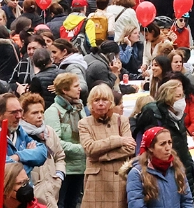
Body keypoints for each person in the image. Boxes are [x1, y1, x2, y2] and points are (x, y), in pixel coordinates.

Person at [78, 84, 135, 208]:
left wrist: (102, 156)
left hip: (119, 178)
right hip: (96, 182)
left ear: (111, 102)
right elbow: (90, 148)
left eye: (104, 100)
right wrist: (117, 140)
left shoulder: (122, 120)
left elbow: (130, 148)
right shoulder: (84, 123)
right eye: (96, 100)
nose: (100, 103)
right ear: (90, 103)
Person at [45, 74, 86, 208]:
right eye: (76, 86)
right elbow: (55, 143)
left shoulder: (79, 107)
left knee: (73, 203)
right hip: (63, 169)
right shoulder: (53, 112)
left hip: (80, 167)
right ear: (65, 90)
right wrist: (82, 149)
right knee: (60, 203)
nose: (80, 89)